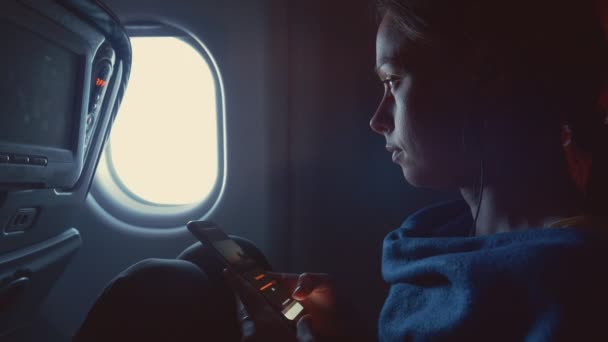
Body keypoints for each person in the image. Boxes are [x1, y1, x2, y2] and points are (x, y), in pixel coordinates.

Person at [76, 0, 608, 340]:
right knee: (221, 259)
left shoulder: (568, 296)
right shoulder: (462, 239)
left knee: (164, 285)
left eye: (392, 82)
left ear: (487, 85)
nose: (378, 119)